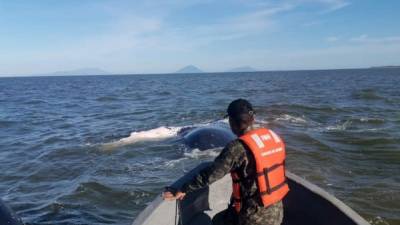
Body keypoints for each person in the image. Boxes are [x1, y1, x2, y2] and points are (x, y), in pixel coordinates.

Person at [163, 99, 289, 225]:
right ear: (253, 118)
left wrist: (184, 188)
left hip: (254, 216)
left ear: (232, 122)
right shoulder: (272, 136)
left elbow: (211, 174)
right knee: (219, 220)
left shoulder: (237, 147)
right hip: (276, 210)